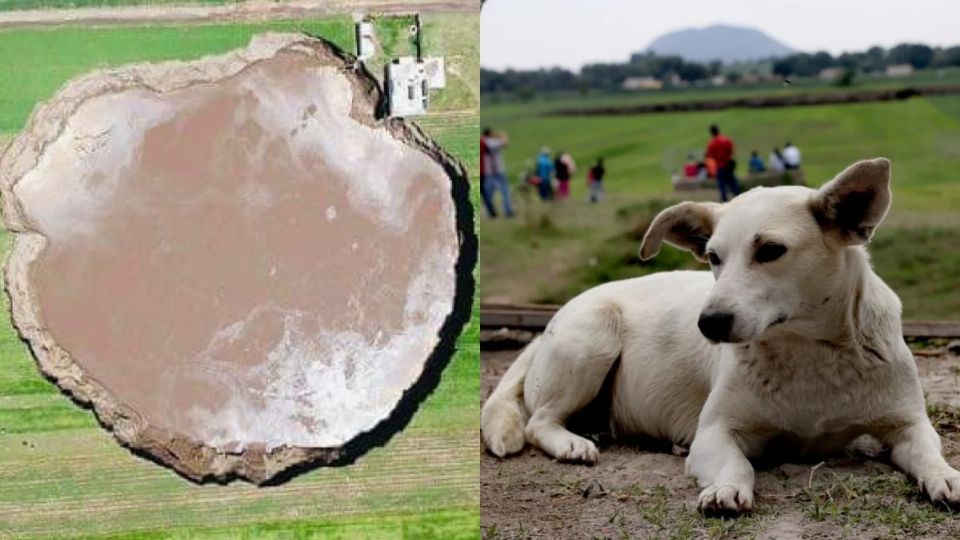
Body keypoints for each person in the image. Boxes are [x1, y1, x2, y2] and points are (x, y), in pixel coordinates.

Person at [481, 128, 514, 217]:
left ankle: (490, 212)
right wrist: (502, 134)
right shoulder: (492, 142)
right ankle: (508, 211)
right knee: (505, 192)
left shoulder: (484, 142)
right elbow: (506, 142)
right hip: (498, 171)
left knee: (488, 195)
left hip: (488, 172)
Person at [705, 124, 740, 202]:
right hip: (729, 165)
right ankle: (739, 199)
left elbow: (710, 155)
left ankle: (724, 202)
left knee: (722, 186)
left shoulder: (712, 143)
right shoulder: (726, 139)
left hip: (720, 166)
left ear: (711, 132)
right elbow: (731, 150)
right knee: (733, 184)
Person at [479, 134, 497, 217]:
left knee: (484, 193)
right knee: (484, 192)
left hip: (481, 171)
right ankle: (492, 211)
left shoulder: (480, 141)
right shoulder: (482, 141)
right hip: (483, 171)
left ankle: (492, 212)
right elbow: (489, 151)